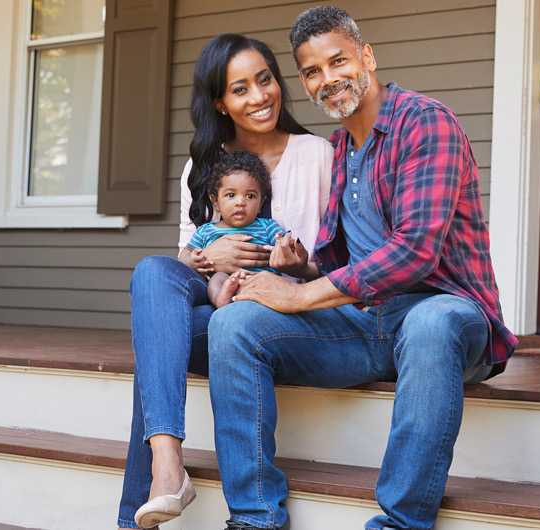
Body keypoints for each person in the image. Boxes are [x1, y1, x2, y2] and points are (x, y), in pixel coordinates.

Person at [207, 7, 518, 530]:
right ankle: (254, 515)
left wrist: (300, 296)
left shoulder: (425, 122)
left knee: (430, 323)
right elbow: (350, 264)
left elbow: (415, 251)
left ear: (367, 57)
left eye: (338, 61)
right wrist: (300, 270)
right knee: (233, 323)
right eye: (312, 71)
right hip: (367, 322)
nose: (327, 79)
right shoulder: (339, 148)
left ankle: (400, 523)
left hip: (447, 316)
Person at [117, 33, 333, 530]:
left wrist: (293, 264)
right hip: (220, 305)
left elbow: (337, 265)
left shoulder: (317, 155)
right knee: (153, 272)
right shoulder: (201, 168)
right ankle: (168, 465)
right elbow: (182, 264)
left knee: (157, 346)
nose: (259, 96)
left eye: (265, 79)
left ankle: (137, 513)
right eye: (240, 89)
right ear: (219, 102)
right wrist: (208, 257)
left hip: (282, 317)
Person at [184, 151, 314, 308]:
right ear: (216, 202)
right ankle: (221, 298)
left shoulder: (267, 226)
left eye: (250, 196)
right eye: (231, 195)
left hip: (259, 282)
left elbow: (283, 244)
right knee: (218, 278)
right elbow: (186, 252)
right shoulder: (206, 231)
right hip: (225, 280)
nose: (240, 202)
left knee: (270, 279)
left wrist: (288, 247)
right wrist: (191, 261)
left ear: (261, 203)